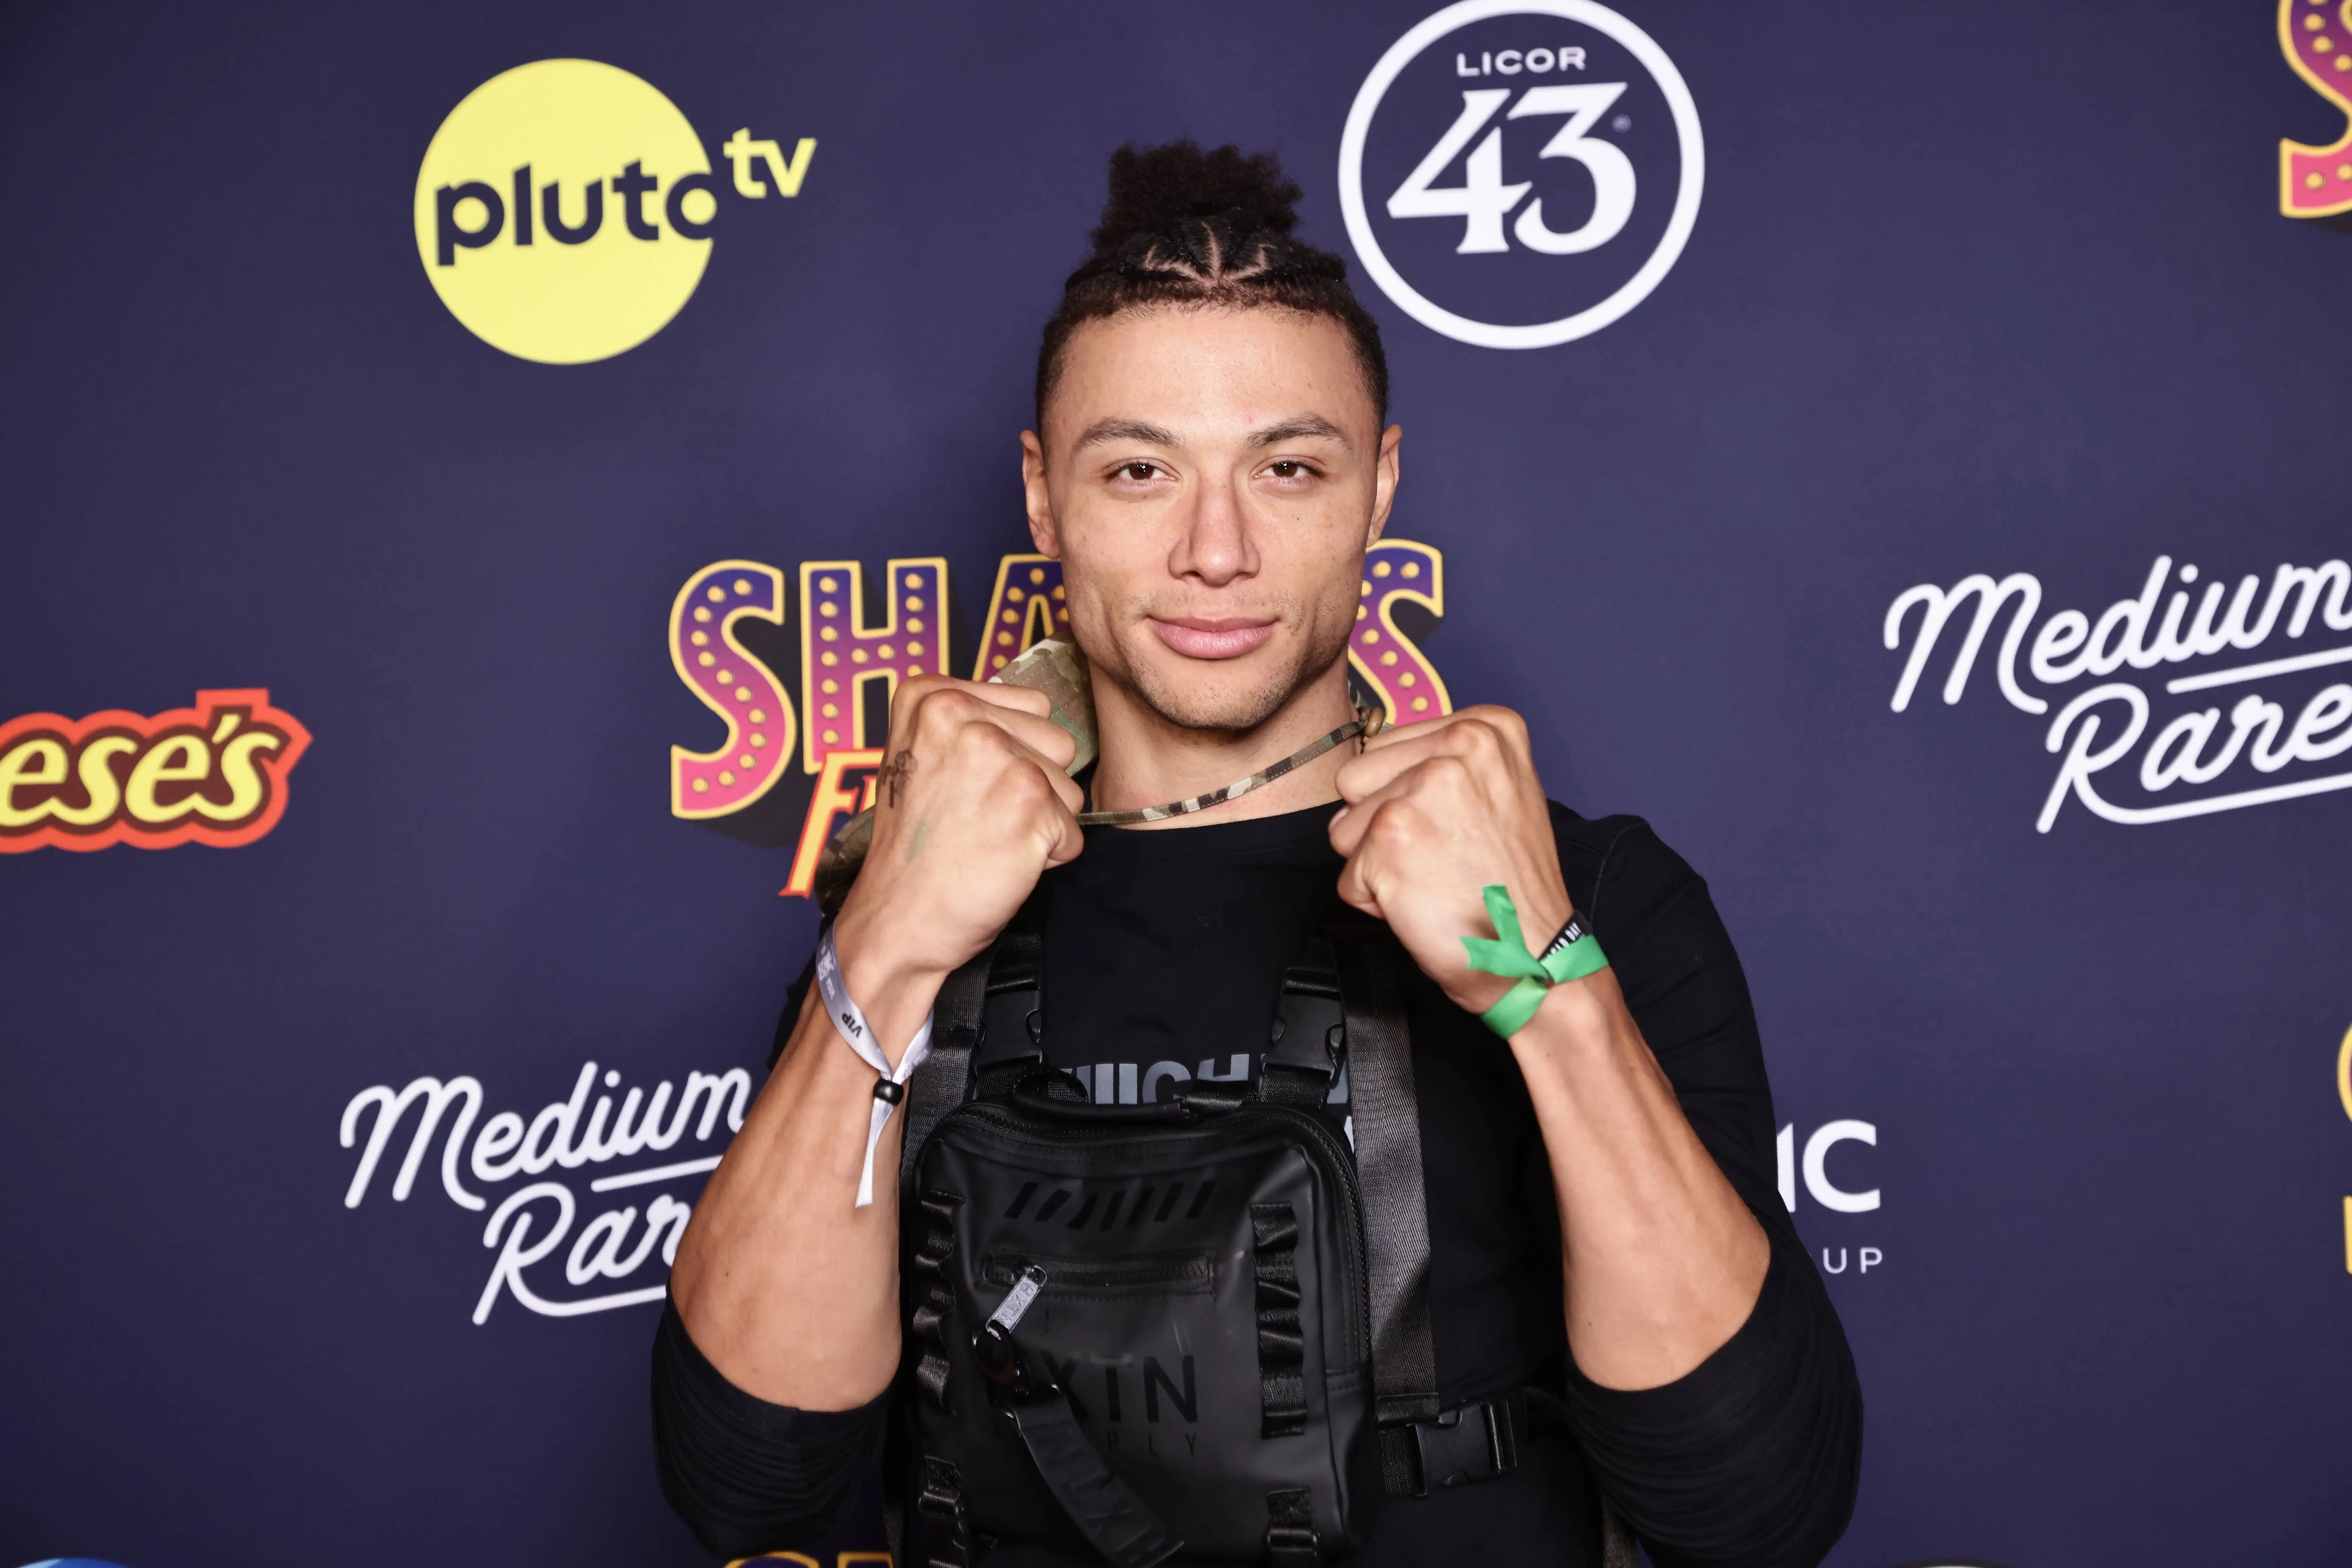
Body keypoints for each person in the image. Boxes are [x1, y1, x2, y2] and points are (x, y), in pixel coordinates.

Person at [652, 142, 1861, 1568]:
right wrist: (890, 946)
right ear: (1044, 500)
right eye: (1140, 468)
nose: (1213, 549)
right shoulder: (914, 908)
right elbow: (752, 1490)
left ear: (1379, 486)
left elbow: (1757, 1506)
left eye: (1287, 466)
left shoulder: (1590, 898)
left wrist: (1549, 983)